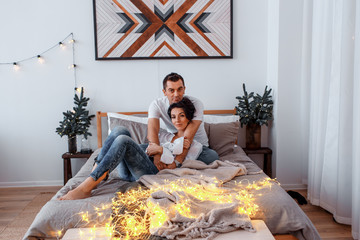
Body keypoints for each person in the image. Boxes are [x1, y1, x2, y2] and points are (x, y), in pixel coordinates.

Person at [59, 97, 203, 200]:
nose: (177, 120)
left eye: (181, 116)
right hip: (130, 171)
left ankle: (87, 186)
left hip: (151, 174)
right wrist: (151, 149)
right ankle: (96, 169)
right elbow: (145, 149)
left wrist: (160, 151)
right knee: (119, 130)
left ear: (189, 118)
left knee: (123, 140)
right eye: (173, 117)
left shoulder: (194, 145)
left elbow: (174, 168)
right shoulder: (165, 136)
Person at [147, 72, 219, 171]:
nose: (176, 94)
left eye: (179, 89)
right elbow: (152, 132)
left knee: (212, 156)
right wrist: (157, 156)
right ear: (164, 92)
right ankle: (164, 160)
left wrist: (177, 162)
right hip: (174, 145)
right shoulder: (157, 105)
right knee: (142, 148)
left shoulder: (196, 104)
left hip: (197, 146)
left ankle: (168, 162)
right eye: (171, 90)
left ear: (184, 89)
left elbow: (188, 137)